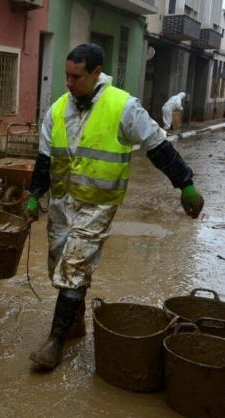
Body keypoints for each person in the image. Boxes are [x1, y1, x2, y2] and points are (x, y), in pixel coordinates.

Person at [25, 43, 204, 370]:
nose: (68, 82)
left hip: (97, 205)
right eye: (66, 75)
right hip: (63, 205)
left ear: (96, 73)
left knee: (74, 266)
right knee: (58, 267)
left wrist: (186, 184)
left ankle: (55, 342)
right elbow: (44, 158)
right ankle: (75, 321)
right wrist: (35, 194)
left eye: (76, 76)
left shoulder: (124, 106)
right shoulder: (57, 110)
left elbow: (157, 146)